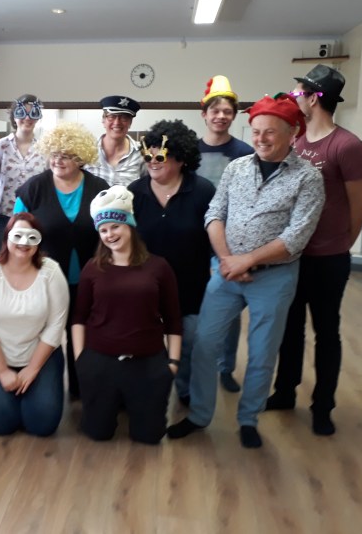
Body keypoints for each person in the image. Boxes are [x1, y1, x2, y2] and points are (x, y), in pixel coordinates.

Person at [167, 95, 325, 449]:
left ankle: (248, 419)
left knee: (262, 352)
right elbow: (214, 214)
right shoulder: (237, 168)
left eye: (270, 132)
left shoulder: (308, 177)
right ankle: (199, 415)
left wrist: (246, 260)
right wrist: (227, 259)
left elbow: (296, 237)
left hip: (274, 277)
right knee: (205, 343)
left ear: (293, 133)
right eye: (255, 131)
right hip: (225, 271)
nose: (261, 139)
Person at [266, 65, 362, 436]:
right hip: (291, 255)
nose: (295, 98)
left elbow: (359, 207)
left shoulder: (348, 147)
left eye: (299, 93)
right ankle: (284, 392)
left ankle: (323, 406)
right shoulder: (294, 142)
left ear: (314, 98)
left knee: (327, 332)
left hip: (328, 259)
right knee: (289, 328)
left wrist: (341, 244)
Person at [71, 185, 182, 444]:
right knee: (98, 433)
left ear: (129, 225)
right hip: (99, 362)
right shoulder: (93, 268)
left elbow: (173, 320)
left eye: (115, 227)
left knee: (149, 436)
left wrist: (173, 363)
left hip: (148, 362)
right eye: (103, 230)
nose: (110, 234)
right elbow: (79, 318)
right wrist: (81, 360)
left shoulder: (159, 267)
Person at [14, 122, 108, 399]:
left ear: (80, 157)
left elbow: (112, 233)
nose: (58, 160)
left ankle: (83, 390)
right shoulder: (34, 188)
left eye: (66, 155)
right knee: (45, 336)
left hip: (90, 280)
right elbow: (16, 233)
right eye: (54, 154)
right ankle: (44, 391)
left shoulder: (98, 188)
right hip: (43, 280)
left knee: (85, 336)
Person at [129, 119, 215, 407]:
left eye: (160, 157)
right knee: (146, 344)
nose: (152, 163)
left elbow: (215, 235)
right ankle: (148, 392)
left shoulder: (202, 191)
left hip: (191, 287)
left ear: (180, 158)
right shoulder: (134, 192)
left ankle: (185, 391)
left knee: (189, 344)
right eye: (148, 157)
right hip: (146, 288)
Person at [0, 214, 69, 437]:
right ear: (6, 239)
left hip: (38, 354)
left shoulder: (51, 271)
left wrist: (33, 369)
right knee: (1, 424)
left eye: (32, 237)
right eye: (18, 236)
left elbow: (56, 325)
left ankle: (26, 394)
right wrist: (3, 371)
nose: (24, 243)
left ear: (39, 242)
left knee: (42, 425)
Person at [196, 75, 255, 394]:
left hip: (230, 243)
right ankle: (191, 362)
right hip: (192, 240)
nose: (220, 116)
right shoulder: (190, 151)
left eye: (227, 111)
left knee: (230, 312)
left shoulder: (245, 152)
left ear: (234, 116)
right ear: (204, 114)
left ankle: (225, 366)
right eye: (215, 111)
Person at [0, 94, 48, 254]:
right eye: (22, 113)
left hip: (34, 217)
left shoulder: (45, 149)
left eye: (33, 113)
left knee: (30, 260)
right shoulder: (0, 147)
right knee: (0, 261)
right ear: (14, 117)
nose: (27, 118)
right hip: (3, 216)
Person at [85, 95, 145, 186]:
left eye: (124, 117)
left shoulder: (141, 153)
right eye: (111, 116)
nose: (117, 122)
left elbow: (148, 186)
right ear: (103, 120)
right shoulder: (87, 149)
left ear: (130, 123)